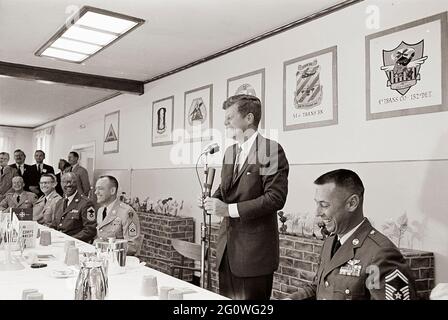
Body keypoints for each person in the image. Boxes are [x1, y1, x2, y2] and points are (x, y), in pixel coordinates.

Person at [200, 94, 289, 300]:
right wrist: (210, 201)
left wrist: (227, 210)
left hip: (254, 256)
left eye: (230, 117)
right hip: (227, 252)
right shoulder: (230, 152)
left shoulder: (271, 150)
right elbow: (225, 190)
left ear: (249, 118)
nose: (225, 122)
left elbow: (275, 198)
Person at [288, 169, 416, 300]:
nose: (317, 212)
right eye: (317, 203)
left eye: (324, 205)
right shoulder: (330, 242)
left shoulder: (380, 255)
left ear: (352, 203)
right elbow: (321, 288)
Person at [94, 175, 142, 256]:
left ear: (112, 191)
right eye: (96, 189)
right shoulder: (100, 211)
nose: (96, 192)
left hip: (119, 261)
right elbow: (101, 237)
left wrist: (104, 247)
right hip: (103, 257)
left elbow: (132, 246)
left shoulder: (127, 213)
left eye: (100, 189)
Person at [50, 172, 96, 243]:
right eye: (65, 182)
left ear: (77, 183)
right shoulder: (59, 203)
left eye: (72, 182)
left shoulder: (86, 203)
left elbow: (90, 230)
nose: (68, 184)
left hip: (75, 244)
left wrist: (69, 240)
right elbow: (54, 225)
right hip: (58, 243)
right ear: (61, 184)